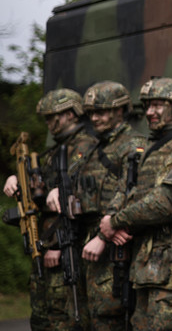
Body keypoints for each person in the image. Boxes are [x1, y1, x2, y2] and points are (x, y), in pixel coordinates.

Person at [99, 77, 172, 331]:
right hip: (145, 266)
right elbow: (127, 191)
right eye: (147, 105)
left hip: (171, 270)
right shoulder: (150, 146)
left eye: (157, 105)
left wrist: (116, 221)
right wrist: (110, 221)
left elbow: (164, 202)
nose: (149, 112)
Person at [4, 88, 97, 331]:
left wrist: (56, 243)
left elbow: (83, 199)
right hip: (46, 243)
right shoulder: (55, 151)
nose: (48, 122)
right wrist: (18, 181)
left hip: (66, 246)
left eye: (52, 116)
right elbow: (40, 191)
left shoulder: (86, 147)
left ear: (70, 114)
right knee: (43, 316)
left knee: (64, 317)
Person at [66, 81, 146, 331]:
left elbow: (132, 191)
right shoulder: (92, 147)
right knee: (85, 316)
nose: (94, 118)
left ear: (120, 110)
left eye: (101, 111)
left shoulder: (132, 145)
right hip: (86, 240)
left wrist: (104, 233)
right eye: (91, 112)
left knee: (108, 316)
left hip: (114, 245)